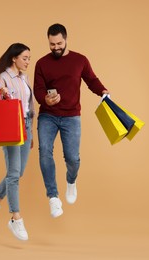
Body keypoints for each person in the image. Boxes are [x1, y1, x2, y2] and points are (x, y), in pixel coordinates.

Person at [33, 23, 109, 218]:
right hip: (48, 115)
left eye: (59, 43)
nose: (56, 47)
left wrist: (103, 91)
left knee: (73, 159)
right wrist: (45, 99)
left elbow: (91, 79)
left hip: (71, 116)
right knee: (45, 153)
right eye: (52, 44)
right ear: (48, 42)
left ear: (66, 39)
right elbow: (38, 90)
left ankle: (71, 181)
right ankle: (53, 198)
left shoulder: (80, 60)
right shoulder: (42, 63)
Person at [0, 43, 35, 241]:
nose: (28, 62)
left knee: (18, 172)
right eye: (25, 58)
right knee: (13, 174)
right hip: (12, 126)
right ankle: (16, 217)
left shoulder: (24, 77)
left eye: (29, 58)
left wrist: (31, 133)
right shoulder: (1, 78)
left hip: (27, 125)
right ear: (14, 58)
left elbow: (30, 104)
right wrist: (0, 94)